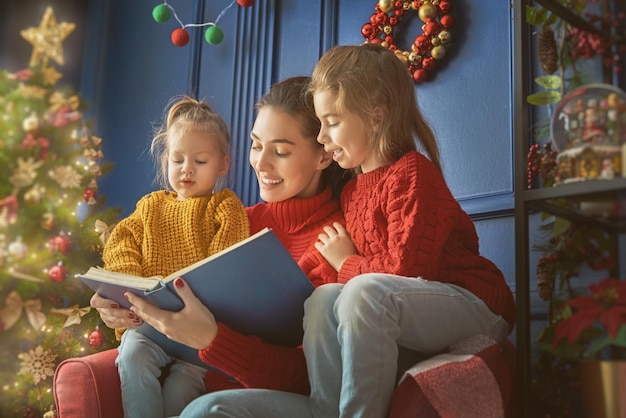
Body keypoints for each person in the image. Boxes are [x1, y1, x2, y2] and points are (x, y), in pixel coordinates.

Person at [172, 43, 518, 418]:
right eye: (320, 125)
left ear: (375, 117)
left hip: (470, 302)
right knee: (323, 299)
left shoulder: (412, 174)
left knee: (360, 291)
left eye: (332, 123)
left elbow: (406, 272)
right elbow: (337, 283)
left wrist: (347, 262)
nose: (323, 136)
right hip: (403, 309)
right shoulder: (352, 193)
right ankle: (327, 410)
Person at [89, 77, 352, 415]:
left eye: (282, 151)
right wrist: (115, 302)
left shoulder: (334, 244)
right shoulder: (234, 222)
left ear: (323, 157)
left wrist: (212, 341)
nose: (262, 163)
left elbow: (315, 378)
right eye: (256, 145)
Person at [103, 95, 250, 418]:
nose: (187, 169)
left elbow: (227, 263)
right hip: (150, 322)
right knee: (131, 356)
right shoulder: (151, 205)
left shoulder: (224, 207)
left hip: (197, 333)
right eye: (178, 159)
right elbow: (121, 240)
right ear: (166, 160)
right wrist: (131, 278)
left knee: (180, 389)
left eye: (200, 161)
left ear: (223, 165)